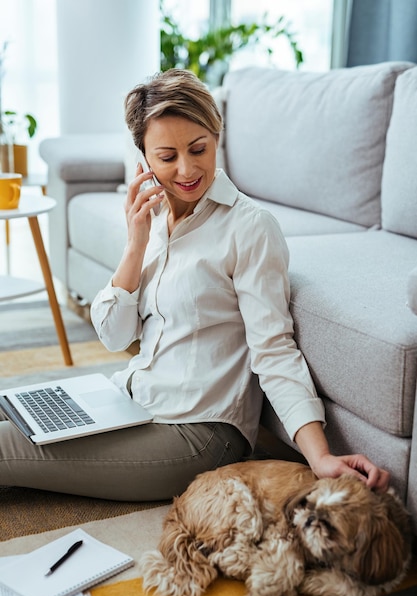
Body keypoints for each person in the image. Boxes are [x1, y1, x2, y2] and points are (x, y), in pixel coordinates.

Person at [0, 69, 389, 501]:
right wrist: (135, 244)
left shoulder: (250, 228)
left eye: (198, 149)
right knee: (8, 405)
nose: (186, 170)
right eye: (167, 157)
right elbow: (114, 336)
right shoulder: (154, 220)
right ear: (143, 159)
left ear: (217, 137)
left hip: (198, 435)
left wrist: (319, 457)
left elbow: (274, 350)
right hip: (131, 398)